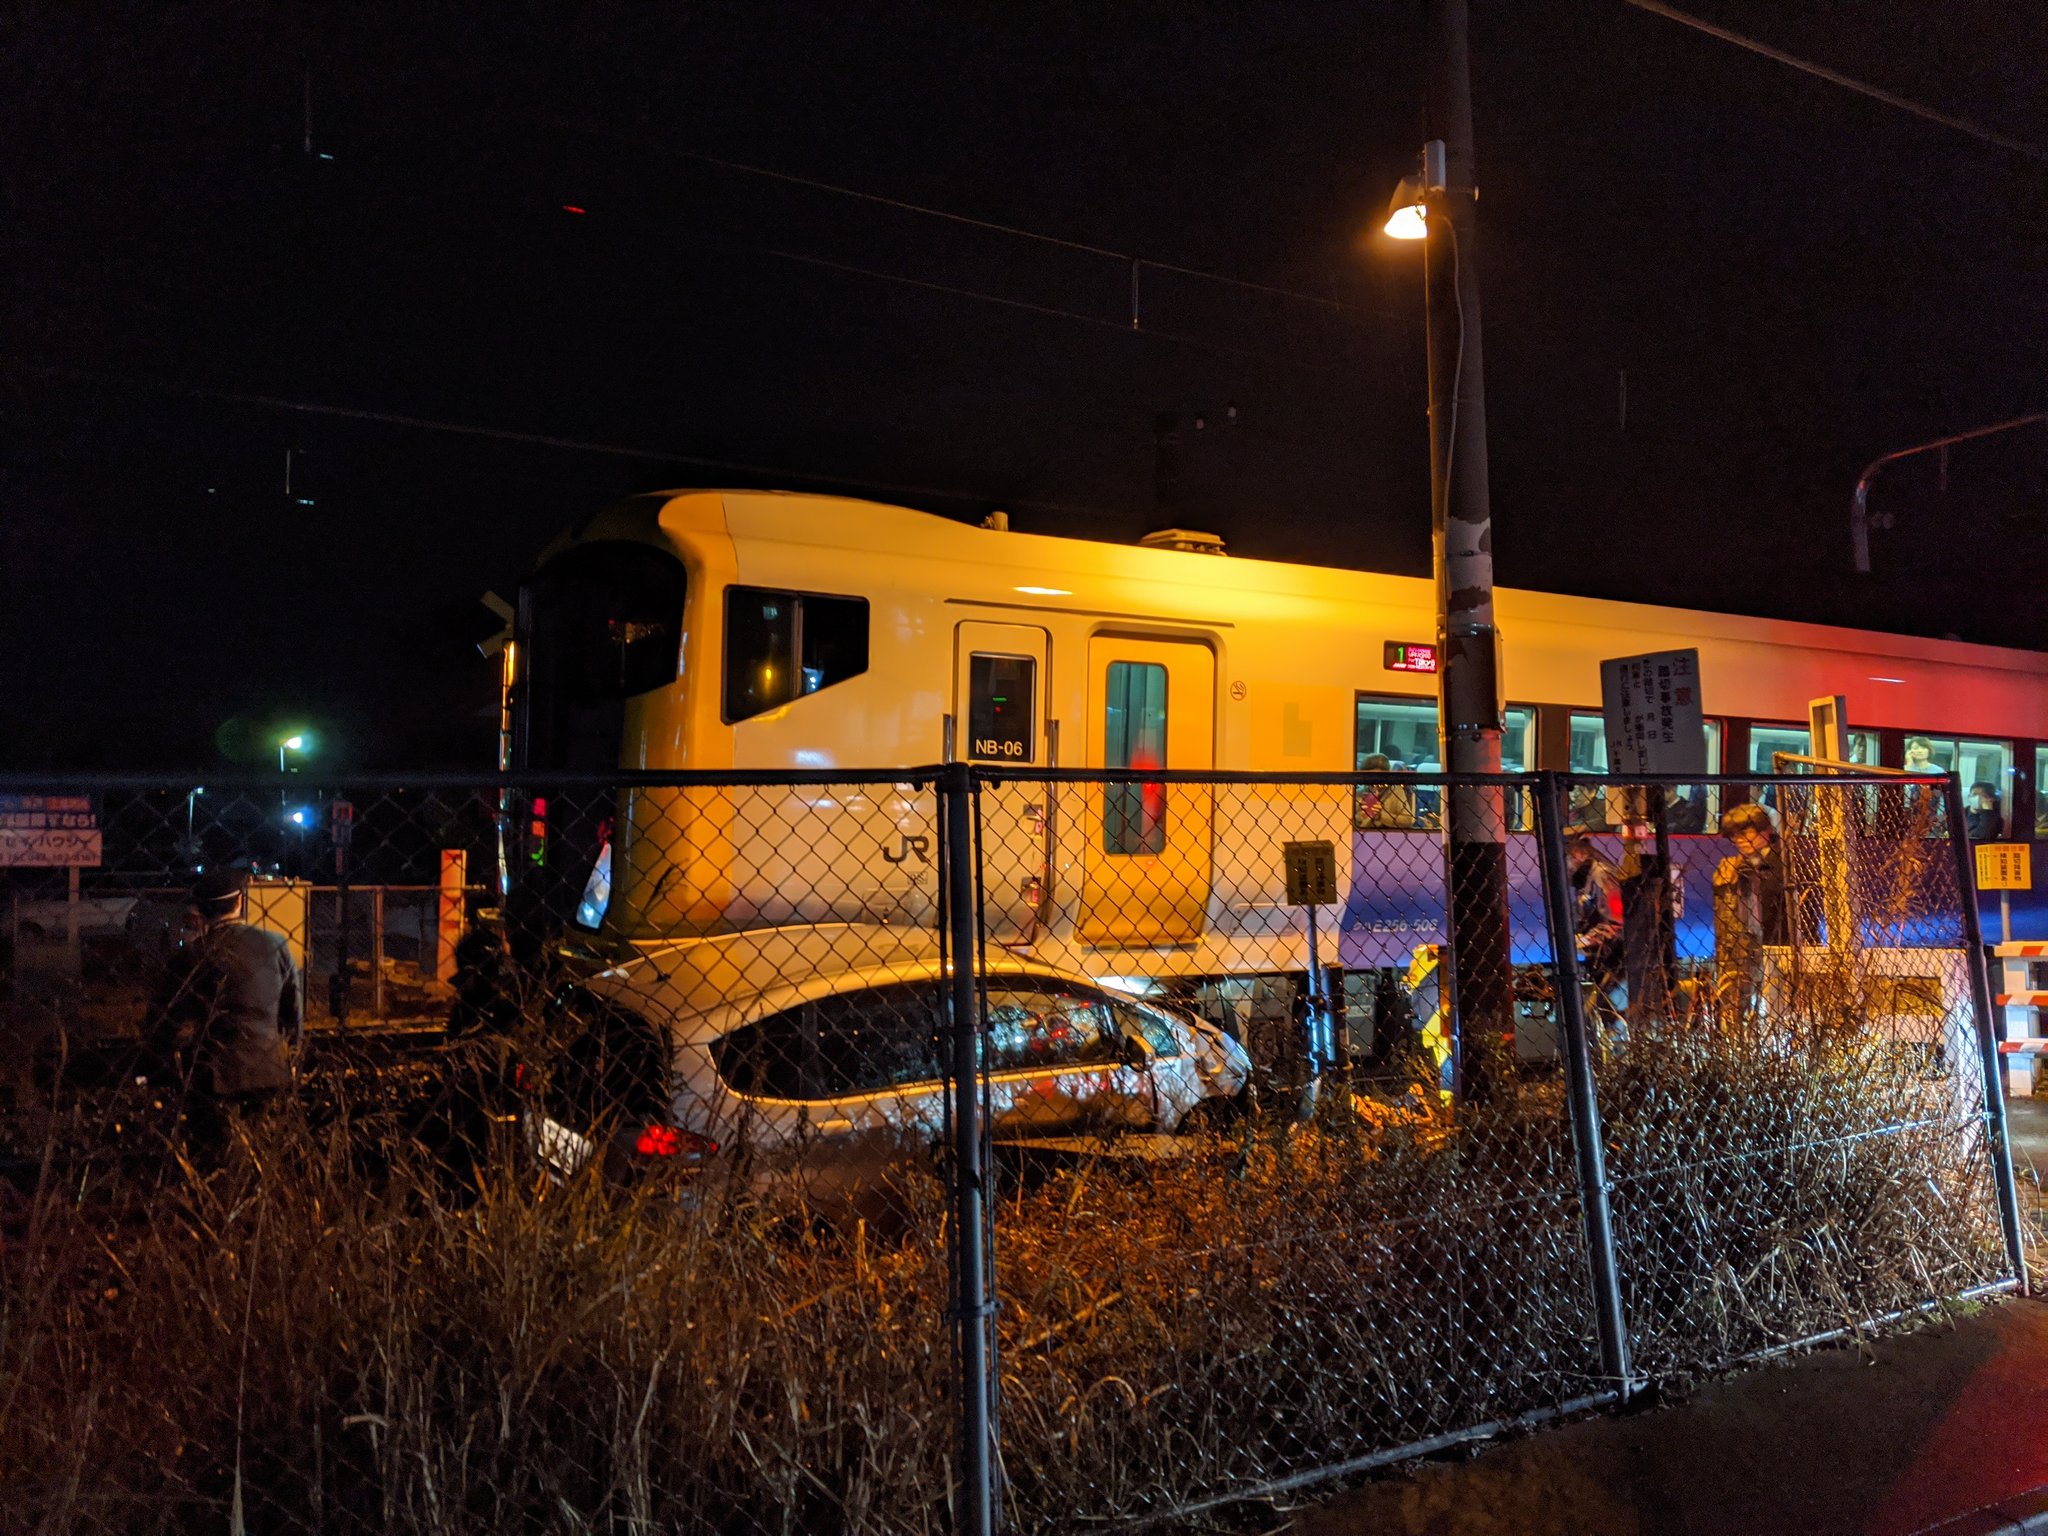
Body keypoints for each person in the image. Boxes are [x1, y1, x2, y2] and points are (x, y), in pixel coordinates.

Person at [143, 869, 300, 1167]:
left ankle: (218, 1194)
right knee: (260, 1149)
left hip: (213, 1075)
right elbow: (293, 1016)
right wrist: (289, 1059)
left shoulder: (191, 956)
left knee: (211, 1152)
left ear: (199, 911)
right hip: (268, 1067)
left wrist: (158, 1070)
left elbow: (161, 1024)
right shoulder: (277, 945)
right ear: (241, 902)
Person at [1711, 803, 1794, 1015]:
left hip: (1775, 948)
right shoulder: (1733, 866)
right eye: (1735, 835)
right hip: (1741, 956)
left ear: (1765, 831)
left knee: (1774, 1012)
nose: (1739, 839)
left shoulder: (1784, 863)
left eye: (1745, 832)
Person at [1563, 824, 1625, 1006]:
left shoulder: (1601, 876)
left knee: (1605, 1011)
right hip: (1600, 960)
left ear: (1579, 854)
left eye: (1568, 857)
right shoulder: (1585, 879)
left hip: (1613, 961)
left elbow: (1618, 920)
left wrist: (1585, 940)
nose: (1566, 864)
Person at [1355, 752, 1416, 829]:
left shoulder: (1396, 791)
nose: (1372, 781)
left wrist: (1381, 816)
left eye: (1376, 777)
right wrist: (1360, 816)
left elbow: (1407, 820)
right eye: (1368, 777)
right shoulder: (1359, 794)